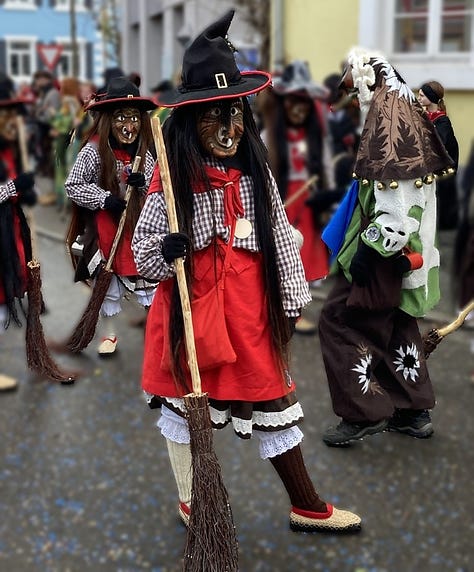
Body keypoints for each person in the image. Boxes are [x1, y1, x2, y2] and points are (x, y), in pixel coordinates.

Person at [132, 10, 361, 533]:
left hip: (247, 315)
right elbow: (143, 254)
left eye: (235, 113)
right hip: (189, 317)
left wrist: (291, 294)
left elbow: (280, 235)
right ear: (191, 121)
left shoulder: (256, 177)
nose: (230, 128)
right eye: (215, 115)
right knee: (183, 410)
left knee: (274, 399)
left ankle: (305, 504)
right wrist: (166, 250)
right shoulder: (169, 183)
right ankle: (194, 500)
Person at [318, 47, 454, 447]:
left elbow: (395, 213)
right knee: (395, 325)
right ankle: (413, 410)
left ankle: (363, 413)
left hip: (386, 254)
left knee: (339, 320)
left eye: (356, 88)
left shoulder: (389, 119)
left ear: (370, 83)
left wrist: (368, 249)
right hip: (404, 256)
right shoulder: (406, 110)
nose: (356, 99)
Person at [64, 77, 157, 356]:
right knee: (107, 287)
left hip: (140, 228)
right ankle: (110, 335)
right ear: (108, 120)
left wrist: (144, 183)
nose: (128, 126)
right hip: (107, 230)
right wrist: (105, 199)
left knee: (151, 284)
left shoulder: (146, 152)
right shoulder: (94, 151)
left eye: (133, 118)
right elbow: (74, 185)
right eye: (120, 118)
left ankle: (157, 333)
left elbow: (158, 185)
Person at [260, 61, 331, 334]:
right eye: (293, 102)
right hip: (282, 205)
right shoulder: (269, 137)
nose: (299, 109)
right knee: (283, 257)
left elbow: (324, 168)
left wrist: (327, 197)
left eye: (304, 103)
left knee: (303, 260)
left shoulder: (316, 138)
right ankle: (280, 308)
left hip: (309, 207)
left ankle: (294, 309)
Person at [0, 75, 37, 391]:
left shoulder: (9, 150)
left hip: (8, 232)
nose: (13, 121)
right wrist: (13, 187)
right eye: (6, 115)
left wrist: (24, 194)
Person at [417, 81, 459, 231]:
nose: (419, 98)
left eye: (422, 95)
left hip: (441, 167)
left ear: (430, 97)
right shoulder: (425, 116)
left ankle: (443, 224)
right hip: (429, 165)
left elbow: (439, 143)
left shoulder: (442, 121)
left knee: (440, 197)